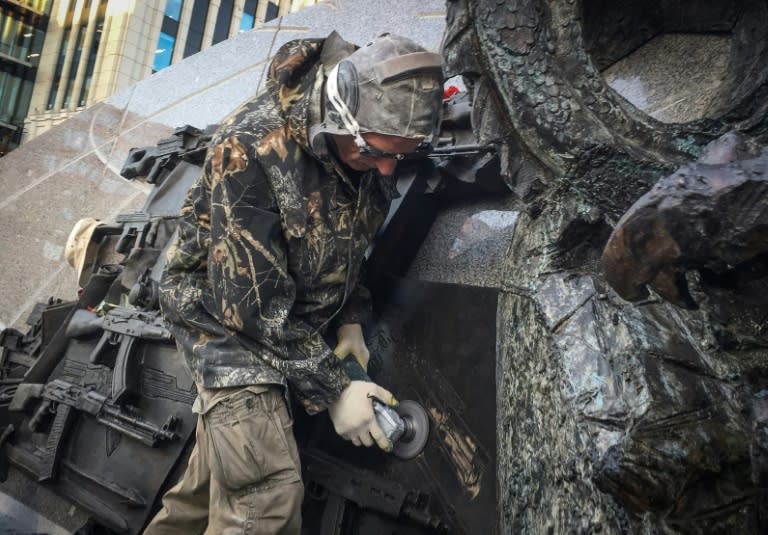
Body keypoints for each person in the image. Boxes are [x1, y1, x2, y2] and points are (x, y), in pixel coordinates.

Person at [143, 31, 444, 534]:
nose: (388, 168)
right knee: (267, 501)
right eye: (375, 151)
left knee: (210, 491)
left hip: (285, 318)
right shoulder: (248, 147)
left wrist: (351, 319)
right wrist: (333, 390)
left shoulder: (368, 146)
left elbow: (348, 244)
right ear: (340, 115)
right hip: (221, 319)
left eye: (402, 156)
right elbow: (250, 308)